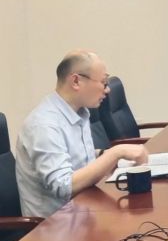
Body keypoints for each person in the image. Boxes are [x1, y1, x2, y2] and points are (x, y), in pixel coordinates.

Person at [15, 50, 149, 218]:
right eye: (103, 82)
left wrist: (102, 154)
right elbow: (64, 187)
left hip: (85, 211)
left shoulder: (80, 112)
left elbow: (74, 157)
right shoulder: (43, 125)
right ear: (76, 81)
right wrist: (116, 152)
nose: (107, 90)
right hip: (55, 226)